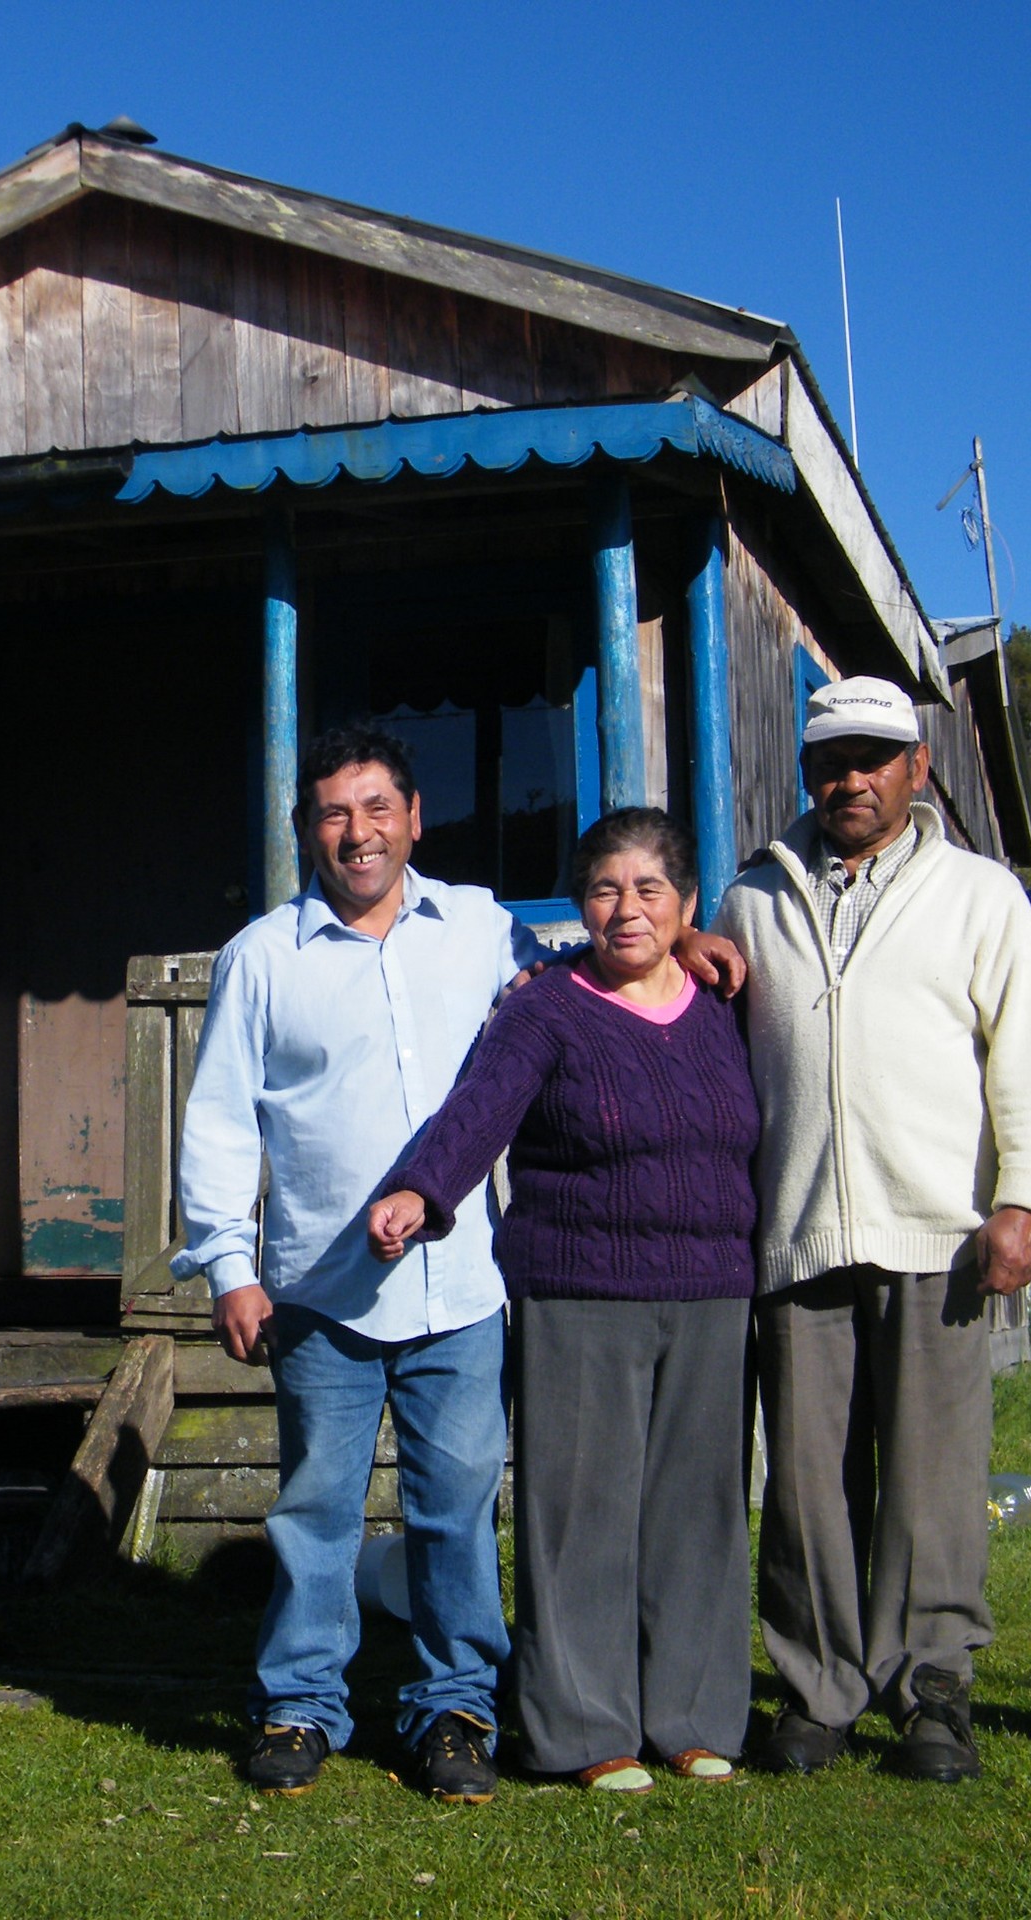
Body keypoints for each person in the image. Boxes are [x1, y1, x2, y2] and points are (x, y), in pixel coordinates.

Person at [176, 723, 735, 1803]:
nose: (359, 831)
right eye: (335, 812)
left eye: (378, 807)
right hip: (320, 1291)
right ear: (308, 830)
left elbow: (589, 977)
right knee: (317, 1509)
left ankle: (455, 1708)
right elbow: (217, 1127)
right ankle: (299, 1706)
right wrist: (227, 1268)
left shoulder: (478, 927)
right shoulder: (261, 959)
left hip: (461, 1290)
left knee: (457, 1506)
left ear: (414, 818)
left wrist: (685, 943)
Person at [711, 674, 1031, 1783]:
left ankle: (932, 1693)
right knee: (807, 1487)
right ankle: (818, 1693)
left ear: (916, 767)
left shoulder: (979, 894)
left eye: (874, 757)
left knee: (933, 1479)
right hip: (799, 1230)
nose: (850, 778)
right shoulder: (749, 900)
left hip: (939, 1235)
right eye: (830, 759)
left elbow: (1026, 1059)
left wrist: (1024, 1199)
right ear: (805, 770)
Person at [369, 808, 759, 1794]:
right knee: (579, 1513)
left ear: (682, 905)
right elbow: (481, 1107)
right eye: (604, 889)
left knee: (697, 1513)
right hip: (582, 1292)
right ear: (580, 904)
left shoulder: (721, 1006)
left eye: (649, 890)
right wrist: (422, 1187)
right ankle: (585, 1728)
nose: (626, 909)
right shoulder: (547, 1007)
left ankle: (694, 1717)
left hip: (712, 1292)